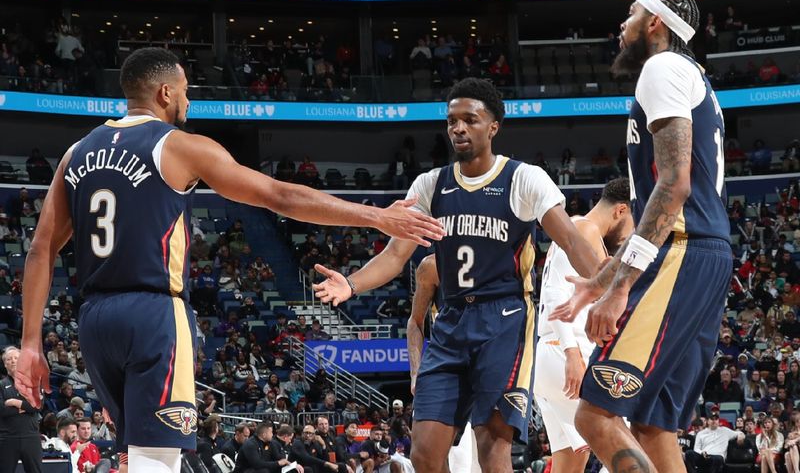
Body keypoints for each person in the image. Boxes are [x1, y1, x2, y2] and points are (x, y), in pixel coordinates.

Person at [14, 47, 443, 473]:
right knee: (155, 461)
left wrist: (31, 342)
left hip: (94, 319)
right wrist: (376, 217)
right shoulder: (177, 146)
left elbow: (40, 250)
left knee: (129, 454)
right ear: (165, 92)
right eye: (185, 91)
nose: (189, 101)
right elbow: (278, 195)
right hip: (151, 313)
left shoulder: (77, 152)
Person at [314, 77, 600, 473]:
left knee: (492, 443)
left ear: (493, 126)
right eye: (452, 121)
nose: (459, 128)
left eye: (470, 119)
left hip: (505, 319)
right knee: (425, 454)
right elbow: (396, 255)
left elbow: (570, 239)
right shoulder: (431, 185)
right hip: (450, 322)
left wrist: (610, 286)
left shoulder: (524, 178)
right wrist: (352, 283)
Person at [552, 0, 733, 472]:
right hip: (704, 255)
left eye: (631, 14)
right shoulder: (693, 78)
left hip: (681, 252)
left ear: (656, 22)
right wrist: (603, 278)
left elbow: (673, 187)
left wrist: (621, 288)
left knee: (595, 417)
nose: (622, 25)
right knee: (654, 424)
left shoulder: (663, 68)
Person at [534, 178, 634, 473]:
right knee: (623, 441)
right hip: (565, 350)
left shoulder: (582, 234)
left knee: (569, 461)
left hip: (550, 355)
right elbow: (554, 293)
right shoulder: (584, 229)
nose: (631, 233)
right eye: (633, 222)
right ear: (621, 210)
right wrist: (571, 353)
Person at [406, 254, 480, 473]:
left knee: (481, 461)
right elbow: (415, 322)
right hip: (446, 365)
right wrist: (416, 372)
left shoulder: (497, 258)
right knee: (428, 458)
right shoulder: (432, 265)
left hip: (487, 360)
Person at [0, 346, 42, 473]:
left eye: (16, 358)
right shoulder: (1, 385)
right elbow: (1, 410)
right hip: (7, 438)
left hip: (31, 437)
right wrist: (25, 407)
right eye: (9, 359)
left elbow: (38, 405)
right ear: (5, 364)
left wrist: (14, 402)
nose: (13, 361)